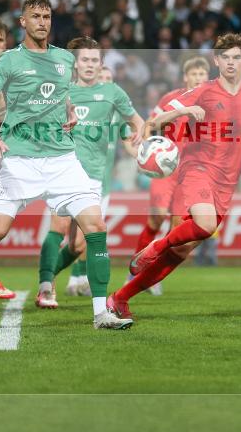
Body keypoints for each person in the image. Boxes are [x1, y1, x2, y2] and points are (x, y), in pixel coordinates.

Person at [0, 0, 134, 330]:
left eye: (47, 16)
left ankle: (101, 314)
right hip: (21, 161)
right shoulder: (8, 61)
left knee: (95, 227)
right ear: (22, 22)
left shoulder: (65, 59)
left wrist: (68, 114)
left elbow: (63, 93)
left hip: (63, 159)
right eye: (35, 16)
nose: (42, 22)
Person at [108, 33, 241, 319]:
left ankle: (120, 298)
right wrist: (187, 109)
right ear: (217, 60)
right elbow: (156, 120)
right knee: (202, 225)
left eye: (236, 57)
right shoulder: (202, 90)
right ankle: (156, 245)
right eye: (225, 57)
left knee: (181, 252)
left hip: (227, 182)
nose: (230, 62)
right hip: (197, 169)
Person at [34, 36, 144, 308]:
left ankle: (52, 276)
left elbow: (136, 123)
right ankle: (46, 288)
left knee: (79, 246)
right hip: (62, 171)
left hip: (94, 178)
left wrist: (145, 147)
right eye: (85, 59)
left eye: (96, 60)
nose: (91, 65)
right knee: (58, 227)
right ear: (75, 63)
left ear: (102, 63)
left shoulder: (113, 94)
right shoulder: (61, 92)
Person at [132, 56, 210, 295]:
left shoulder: (215, 104)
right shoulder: (171, 99)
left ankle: (151, 274)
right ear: (186, 77)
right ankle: (133, 271)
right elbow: (150, 125)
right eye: (194, 74)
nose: (198, 78)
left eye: (202, 74)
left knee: (177, 228)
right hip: (166, 169)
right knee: (156, 218)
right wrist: (145, 151)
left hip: (191, 175)